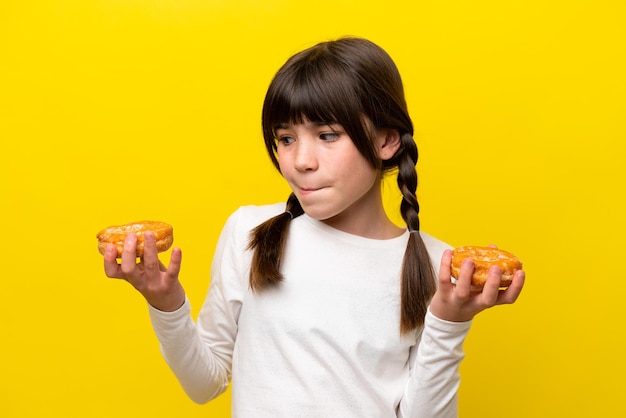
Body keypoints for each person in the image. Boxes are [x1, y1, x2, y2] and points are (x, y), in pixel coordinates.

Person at [102, 37, 525, 417]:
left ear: (387, 140)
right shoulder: (251, 233)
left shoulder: (438, 265)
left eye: (327, 135)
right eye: (285, 139)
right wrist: (165, 302)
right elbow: (204, 383)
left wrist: (449, 321)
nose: (300, 160)